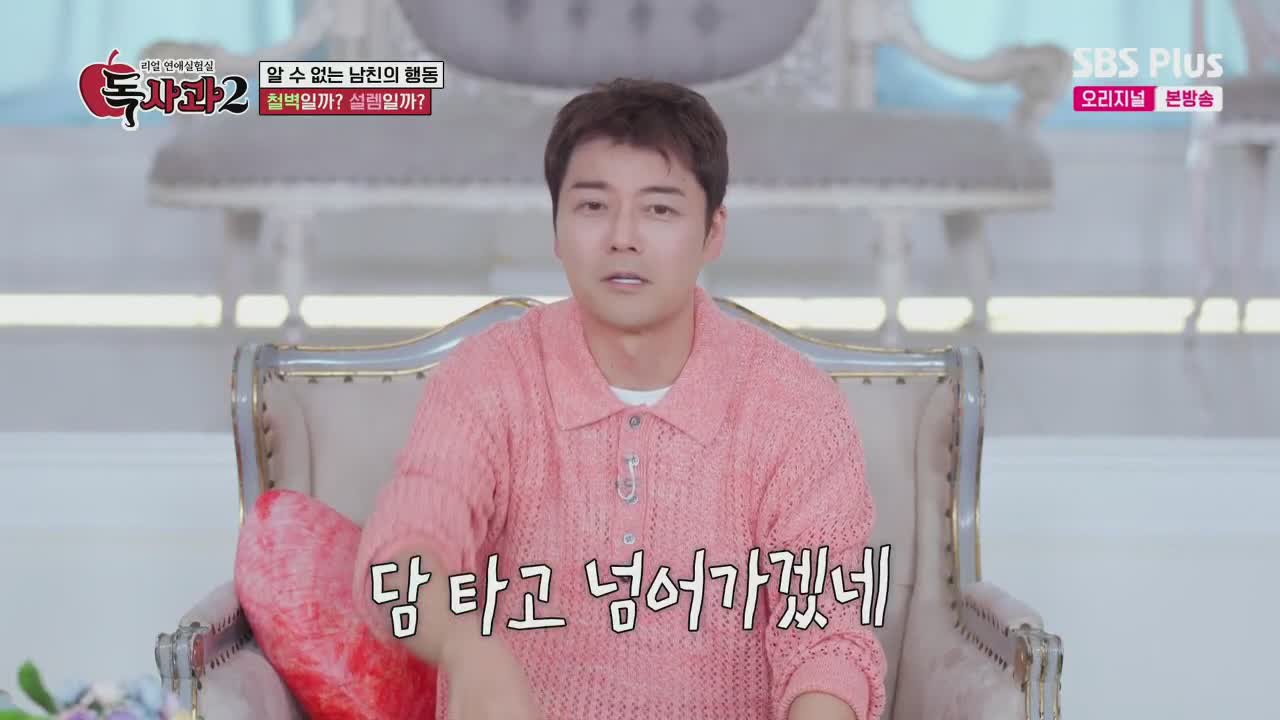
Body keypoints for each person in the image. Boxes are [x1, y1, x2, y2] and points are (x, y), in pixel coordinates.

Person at [353, 78, 887, 720]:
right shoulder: (487, 377)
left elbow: (827, 637)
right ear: (556, 228)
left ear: (713, 232)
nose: (622, 238)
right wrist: (466, 650)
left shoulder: (797, 408)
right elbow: (402, 556)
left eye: (659, 210)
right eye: (592, 206)